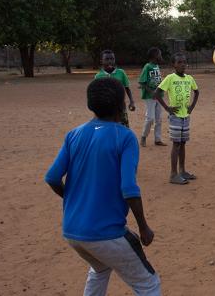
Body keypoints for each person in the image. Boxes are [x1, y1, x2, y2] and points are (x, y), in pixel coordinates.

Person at [44, 78, 161, 295]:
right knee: (148, 283)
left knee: (100, 269)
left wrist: (74, 199)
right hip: (106, 233)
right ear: (121, 106)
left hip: (73, 232)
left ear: (91, 105)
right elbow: (129, 187)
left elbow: (51, 178)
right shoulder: (124, 137)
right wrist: (143, 227)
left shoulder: (74, 134)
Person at [155, 53, 200, 185]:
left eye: (184, 62)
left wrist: (191, 106)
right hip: (175, 117)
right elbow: (156, 93)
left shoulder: (189, 78)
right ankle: (173, 174)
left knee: (183, 143)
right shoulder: (170, 78)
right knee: (176, 144)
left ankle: (182, 170)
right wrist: (167, 108)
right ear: (173, 65)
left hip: (185, 116)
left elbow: (196, 92)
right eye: (179, 62)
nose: (182, 64)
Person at [94, 49, 136, 127]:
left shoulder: (121, 73)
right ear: (101, 61)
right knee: (107, 127)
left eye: (112, 59)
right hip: (105, 107)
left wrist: (132, 101)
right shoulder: (98, 76)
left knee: (123, 127)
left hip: (120, 106)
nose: (110, 61)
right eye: (107, 59)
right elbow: (97, 93)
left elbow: (127, 88)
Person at [139, 47, 167, 147]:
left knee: (159, 118)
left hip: (159, 96)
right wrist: (152, 92)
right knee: (150, 118)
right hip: (150, 97)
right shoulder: (147, 67)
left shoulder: (157, 66)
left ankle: (157, 139)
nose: (161, 57)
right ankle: (143, 136)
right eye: (159, 55)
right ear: (154, 56)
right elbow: (142, 82)